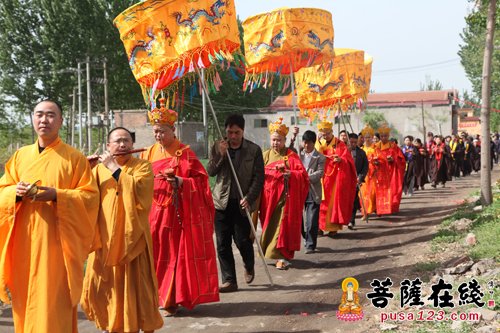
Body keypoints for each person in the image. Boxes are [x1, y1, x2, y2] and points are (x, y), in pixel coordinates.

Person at [0, 100, 99, 332]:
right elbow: (3, 189)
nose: (44, 120)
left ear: (61, 121)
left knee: (53, 304)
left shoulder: (74, 159)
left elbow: (90, 198)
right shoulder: (20, 156)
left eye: (51, 115)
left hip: (57, 245)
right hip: (23, 244)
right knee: (26, 301)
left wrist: (58, 196)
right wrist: (15, 193)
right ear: (33, 118)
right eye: (39, 115)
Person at [140, 98, 219, 316]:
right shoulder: (147, 153)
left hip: (176, 213)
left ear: (173, 129)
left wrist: (182, 183)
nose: (158, 136)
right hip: (153, 213)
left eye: (162, 131)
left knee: (174, 256)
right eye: (155, 131)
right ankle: (157, 296)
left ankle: (171, 300)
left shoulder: (184, 152)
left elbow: (201, 182)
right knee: (155, 255)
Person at [81, 127, 163, 333]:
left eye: (126, 140)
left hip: (133, 238)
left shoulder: (143, 166)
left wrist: (112, 167)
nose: (123, 145)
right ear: (108, 146)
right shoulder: (98, 170)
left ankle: (135, 324)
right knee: (100, 287)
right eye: (117, 141)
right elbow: (86, 198)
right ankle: (111, 323)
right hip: (105, 239)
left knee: (138, 288)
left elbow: (140, 194)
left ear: (133, 145)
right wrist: (85, 168)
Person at [207, 114, 264, 293]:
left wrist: (249, 197)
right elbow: (211, 171)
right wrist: (220, 155)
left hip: (242, 203)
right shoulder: (218, 146)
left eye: (236, 132)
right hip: (221, 202)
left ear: (243, 131)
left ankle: (249, 264)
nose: (232, 136)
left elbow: (258, 177)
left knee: (242, 241)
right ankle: (229, 280)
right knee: (222, 243)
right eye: (230, 132)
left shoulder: (253, 150)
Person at [258, 117, 309, 270]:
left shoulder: (291, 156)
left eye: (279, 140)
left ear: (284, 140)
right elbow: (258, 174)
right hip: (268, 198)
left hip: (285, 198)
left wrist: (290, 174)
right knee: (270, 225)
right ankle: (272, 252)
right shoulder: (265, 155)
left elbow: (303, 175)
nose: (276, 143)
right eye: (273, 140)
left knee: (282, 226)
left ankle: (280, 256)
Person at [315, 119, 357, 236]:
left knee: (333, 203)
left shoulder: (340, 144)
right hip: (321, 177)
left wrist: (341, 160)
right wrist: (318, 143)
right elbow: (314, 156)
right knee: (321, 203)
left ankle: (333, 228)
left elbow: (348, 159)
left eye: (327, 133)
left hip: (335, 179)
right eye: (323, 134)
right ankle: (319, 227)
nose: (326, 136)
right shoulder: (319, 144)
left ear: (332, 132)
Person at [299, 130, 325, 253]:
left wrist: (305, 178)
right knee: (298, 220)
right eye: (305, 142)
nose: (306, 145)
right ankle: (305, 236)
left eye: (309, 143)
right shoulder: (299, 155)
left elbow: (320, 173)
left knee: (312, 220)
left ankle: (310, 244)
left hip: (313, 192)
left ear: (314, 143)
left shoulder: (320, 157)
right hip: (299, 191)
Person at [372, 124, 405, 214]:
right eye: (382, 136)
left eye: (385, 136)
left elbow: (401, 159)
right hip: (380, 172)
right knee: (381, 190)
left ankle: (392, 207)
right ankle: (381, 208)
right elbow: (372, 157)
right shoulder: (375, 147)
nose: (383, 138)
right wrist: (375, 162)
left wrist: (393, 160)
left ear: (388, 136)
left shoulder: (393, 146)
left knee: (393, 190)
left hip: (392, 172)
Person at [347, 133, 368, 230]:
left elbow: (365, 167)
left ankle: (351, 220)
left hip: (356, 180)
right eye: (351, 142)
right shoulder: (343, 152)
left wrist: (360, 177)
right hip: (345, 180)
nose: (353, 144)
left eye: (355, 142)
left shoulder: (362, 153)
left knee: (354, 200)